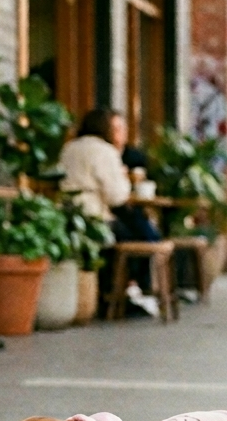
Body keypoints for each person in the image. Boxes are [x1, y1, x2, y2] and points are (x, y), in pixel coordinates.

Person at [61, 109, 160, 316]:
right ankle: (135, 290)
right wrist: (124, 177)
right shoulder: (105, 151)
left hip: (69, 215)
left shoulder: (69, 148)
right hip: (95, 218)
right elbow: (117, 196)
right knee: (142, 235)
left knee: (136, 228)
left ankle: (122, 292)